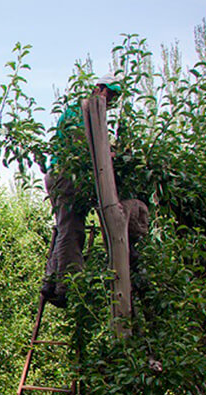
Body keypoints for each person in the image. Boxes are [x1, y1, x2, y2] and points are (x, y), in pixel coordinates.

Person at [41, 74, 123, 308]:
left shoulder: (91, 114)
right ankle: (66, 285)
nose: (111, 99)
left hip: (62, 173)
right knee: (72, 228)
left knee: (65, 226)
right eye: (109, 93)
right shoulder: (81, 112)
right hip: (65, 174)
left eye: (115, 96)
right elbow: (81, 142)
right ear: (98, 89)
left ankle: (50, 281)